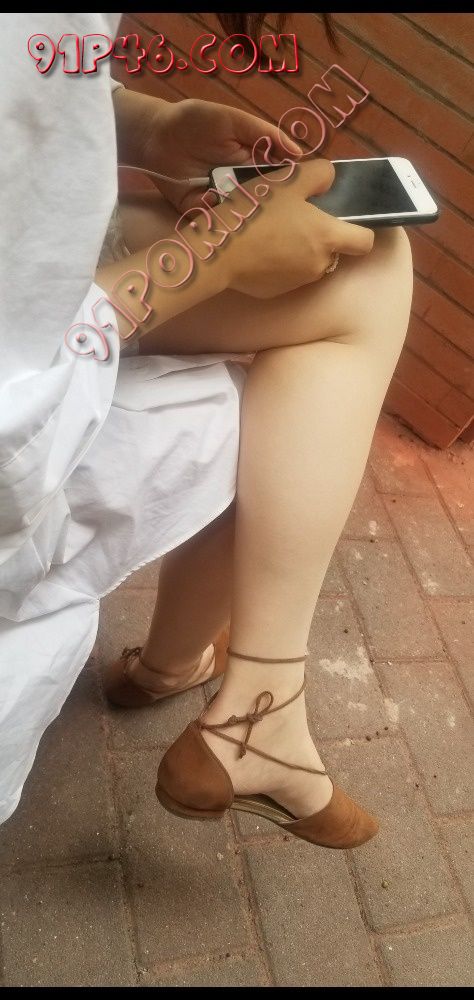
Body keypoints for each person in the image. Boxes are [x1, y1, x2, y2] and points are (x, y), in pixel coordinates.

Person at [0, 14, 412, 844]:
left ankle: (178, 671)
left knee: (359, 270)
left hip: (32, 261)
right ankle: (254, 710)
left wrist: (148, 124)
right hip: (30, 349)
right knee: (312, 353)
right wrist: (207, 264)